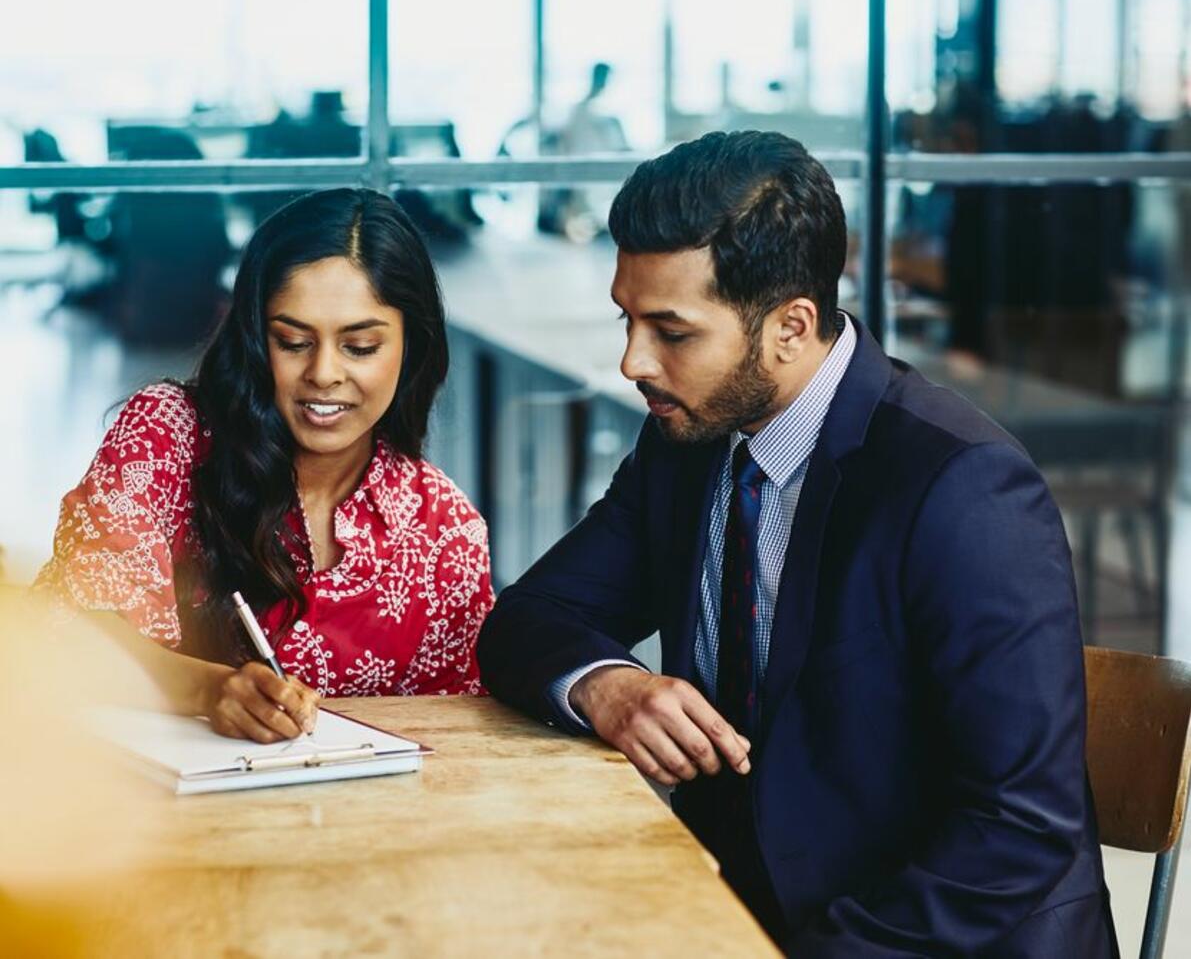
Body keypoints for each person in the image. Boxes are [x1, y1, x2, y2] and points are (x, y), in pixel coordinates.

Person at [477, 132, 1117, 956]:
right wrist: (607, 684)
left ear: (791, 325)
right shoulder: (687, 443)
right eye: (627, 319)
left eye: (671, 331)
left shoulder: (962, 487)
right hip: (729, 916)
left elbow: (1020, 826)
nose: (632, 360)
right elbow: (528, 619)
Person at [38, 188, 493, 744]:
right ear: (255, 339)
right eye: (293, 341)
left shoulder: (444, 533)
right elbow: (73, 636)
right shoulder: (166, 437)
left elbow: (454, 740)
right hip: (143, 814)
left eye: (361, 347)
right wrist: (208, 691)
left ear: (412, 347)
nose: (323, 373)